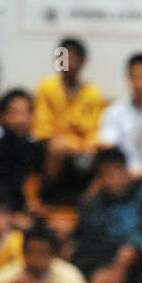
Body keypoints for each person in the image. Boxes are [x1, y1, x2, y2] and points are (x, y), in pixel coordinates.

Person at [70, 147, 142, 283]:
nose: (111, 179)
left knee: (126, 253)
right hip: (103, 256)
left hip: (137, 253)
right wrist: (89, 200)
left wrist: (133, 243)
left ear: (126, 173)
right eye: (106, 175)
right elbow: (90, 234)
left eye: (116, 173)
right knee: (101, 278)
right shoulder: (94, 202)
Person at [33, 38, 106, 204]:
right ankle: (48, 197)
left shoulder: (92, 92)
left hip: (83, 147)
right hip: (54, 144)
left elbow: (94, 129)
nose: (68, 64)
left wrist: (87, 145)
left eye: (73, 59)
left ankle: (88, 203)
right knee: (56, 148)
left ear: (83, 62)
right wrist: (71, 143)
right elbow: (43, 127)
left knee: (104, 155)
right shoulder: (47, 87)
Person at [0, 89, 46, 205]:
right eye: (14, 113)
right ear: (2, 115)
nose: (20, 120)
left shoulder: (37, 149)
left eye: (25, 113)